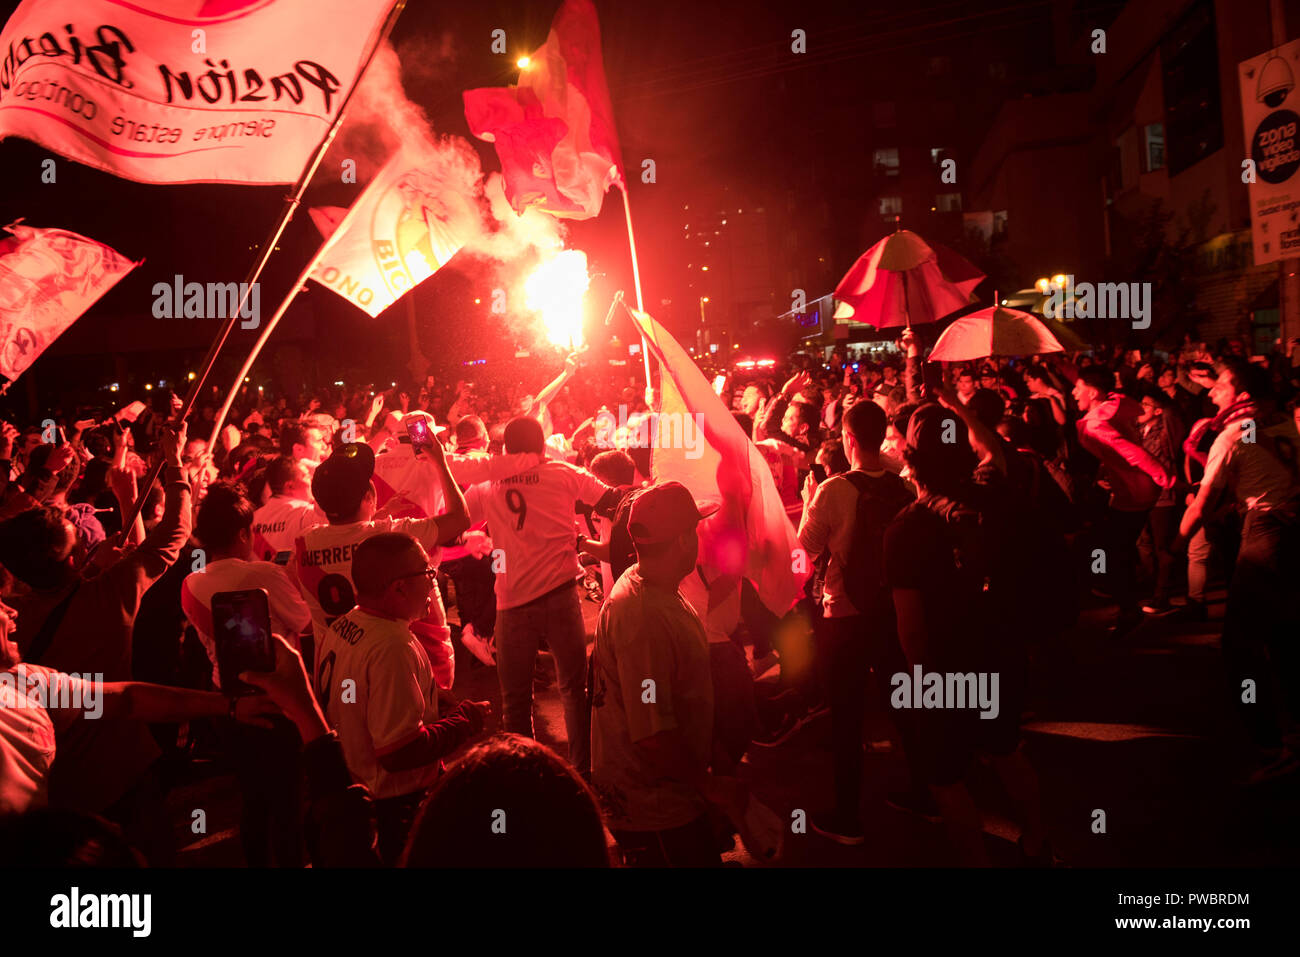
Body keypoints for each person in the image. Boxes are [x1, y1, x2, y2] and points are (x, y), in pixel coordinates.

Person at [0, 424, 193, 863]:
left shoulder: (12, 619)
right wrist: (175, 460)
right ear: (73, 559)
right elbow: (175, 534)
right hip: (124, 771)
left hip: (61, 787)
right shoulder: (108, 592)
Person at [884, 404, 1050, 866]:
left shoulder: (906, 528)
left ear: (909, 459)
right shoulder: (995, 493)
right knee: (1005, 749)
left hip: (945, 666)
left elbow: (912, 629)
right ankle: (1039, 842)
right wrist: (956, 406)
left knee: (945, 777)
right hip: (1003, 651)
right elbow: (992, 451)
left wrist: (919, 685)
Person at [590, 481, 748, 866]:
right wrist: (711, 787)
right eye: (694, 529)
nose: (700, 537)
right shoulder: (643, 617)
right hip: (654, 809)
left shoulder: (656, 589)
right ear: (681, 541)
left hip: (669, 798)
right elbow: (652, 735)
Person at [314, 532, 490, 864]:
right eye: (427, 574)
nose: (433, 582)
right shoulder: (392, 646)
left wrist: (432, 694)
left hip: (358, 788)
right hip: (395, 806)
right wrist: (466, 721)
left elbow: (366, 693)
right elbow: (398, 751)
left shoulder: (346, 623)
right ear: (399, 587)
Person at [462, 416, 620, 775]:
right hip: (561, 595)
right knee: (574, 690)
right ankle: (583, 773)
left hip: (512, 603)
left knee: (515, 700)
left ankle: (526, 777)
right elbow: (610, 498)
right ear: (542, 443)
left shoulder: (489, 482)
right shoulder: (564, 473)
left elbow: (457, 518)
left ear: (505, 451)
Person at [798, 400, 916, 844]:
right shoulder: (902, 486)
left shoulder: (833, 489)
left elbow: (803, 551)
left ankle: (848, 816)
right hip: (893, 612)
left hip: (844, 616)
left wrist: (811, 500)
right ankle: (926, 791)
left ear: (847, 439)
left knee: (845, 715)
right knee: (902, 703)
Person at [1178, 358, 1300, 780]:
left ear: (1242, 395)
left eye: (1220, 386)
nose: (1211, 392)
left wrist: (1179, 539)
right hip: (1290, 529)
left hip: (1265, 533)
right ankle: (1292, 738)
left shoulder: (1233, 434)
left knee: (1239, 647)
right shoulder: (1282, 419)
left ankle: (1270, 746)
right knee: (1284, 639)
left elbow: (1203, 500)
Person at [181, 482, 313, 866]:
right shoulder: (263, 574)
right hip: (277, 700)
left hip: (230, 702)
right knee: (287, 798)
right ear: (242, 534)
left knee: (253, 796)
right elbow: (304, 622)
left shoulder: (191, 583)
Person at [290, 440, 469, 688]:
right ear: (368, 496)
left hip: (338, 676)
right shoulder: (393, 535)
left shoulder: (303, 545)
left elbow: (345, 537)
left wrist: (377, 514)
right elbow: (460, 519)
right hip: (397, 671)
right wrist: (440, 461)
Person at [1072, 367, 1174, 635]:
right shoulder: (1115, 403)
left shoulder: (1096, 424)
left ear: (1092, 392)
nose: (1072, 392)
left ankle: (1125, 603)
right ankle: (1126, 601)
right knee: (1117, 548)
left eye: (1077, 387)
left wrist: (1165, 477)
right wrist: (1059, 364)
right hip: (1133, 491)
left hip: (1133, 492)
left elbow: (1131, 453)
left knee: (1110, 551)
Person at [251, 455, 325, 563]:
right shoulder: (308, 515)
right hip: (292, 579)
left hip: (261, 579)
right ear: (289, 486)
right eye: (306, 476)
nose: (311, 480)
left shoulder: (252, 519)